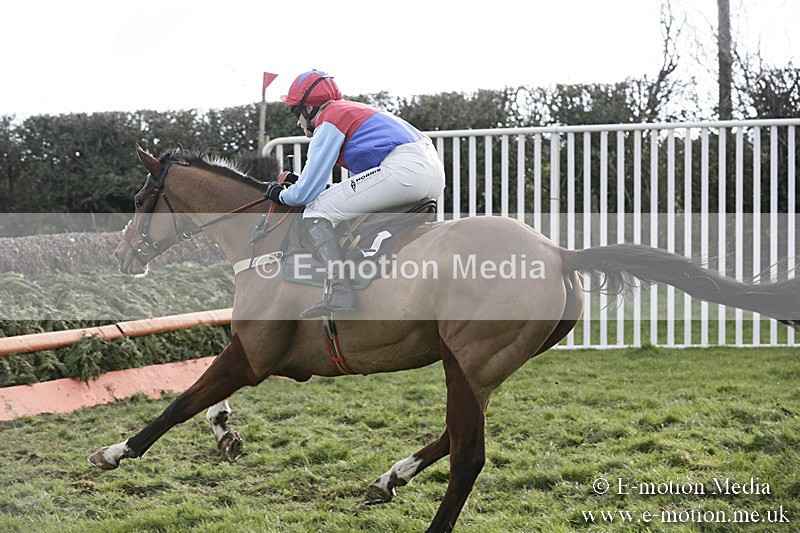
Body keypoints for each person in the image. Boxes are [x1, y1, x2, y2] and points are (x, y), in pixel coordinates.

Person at [264, 69, 446, 319]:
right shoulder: (354, 110)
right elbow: (358, 186)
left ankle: (340, 290)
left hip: (404, 170)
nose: (297, 122)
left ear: (309, 107)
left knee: (316, 211)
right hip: (432, 174)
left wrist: (282, 194)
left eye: (296, 111)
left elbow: (305, 193)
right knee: (331, 205)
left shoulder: (330, 117)